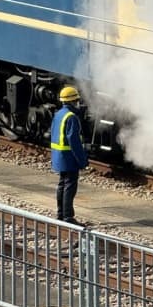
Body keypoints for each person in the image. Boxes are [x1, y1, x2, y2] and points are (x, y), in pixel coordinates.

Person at [51, 86, 89, 225]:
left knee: (62, 184)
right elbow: (75, 142)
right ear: (74, 101)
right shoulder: (72, 117)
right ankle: (68, 217)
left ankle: (60, 214)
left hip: (58, 155)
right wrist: (82, 160)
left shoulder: (59, 113)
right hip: (68, 157)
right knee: (70, 186)